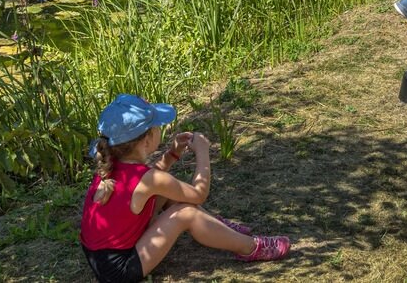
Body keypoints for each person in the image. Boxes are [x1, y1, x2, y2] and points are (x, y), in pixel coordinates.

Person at [80, 94, 290, 283]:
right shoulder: (150, 179)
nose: (159, 130)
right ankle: (251, 247)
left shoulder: (110, 164)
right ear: (146, 140)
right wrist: (203, 152)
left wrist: (173, 153)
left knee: (169, 193)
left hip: (100, 258)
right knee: (186, 213)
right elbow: (199, 194)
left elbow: (149, 182)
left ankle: (218, 228)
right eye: (157, 127)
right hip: (120, 271)